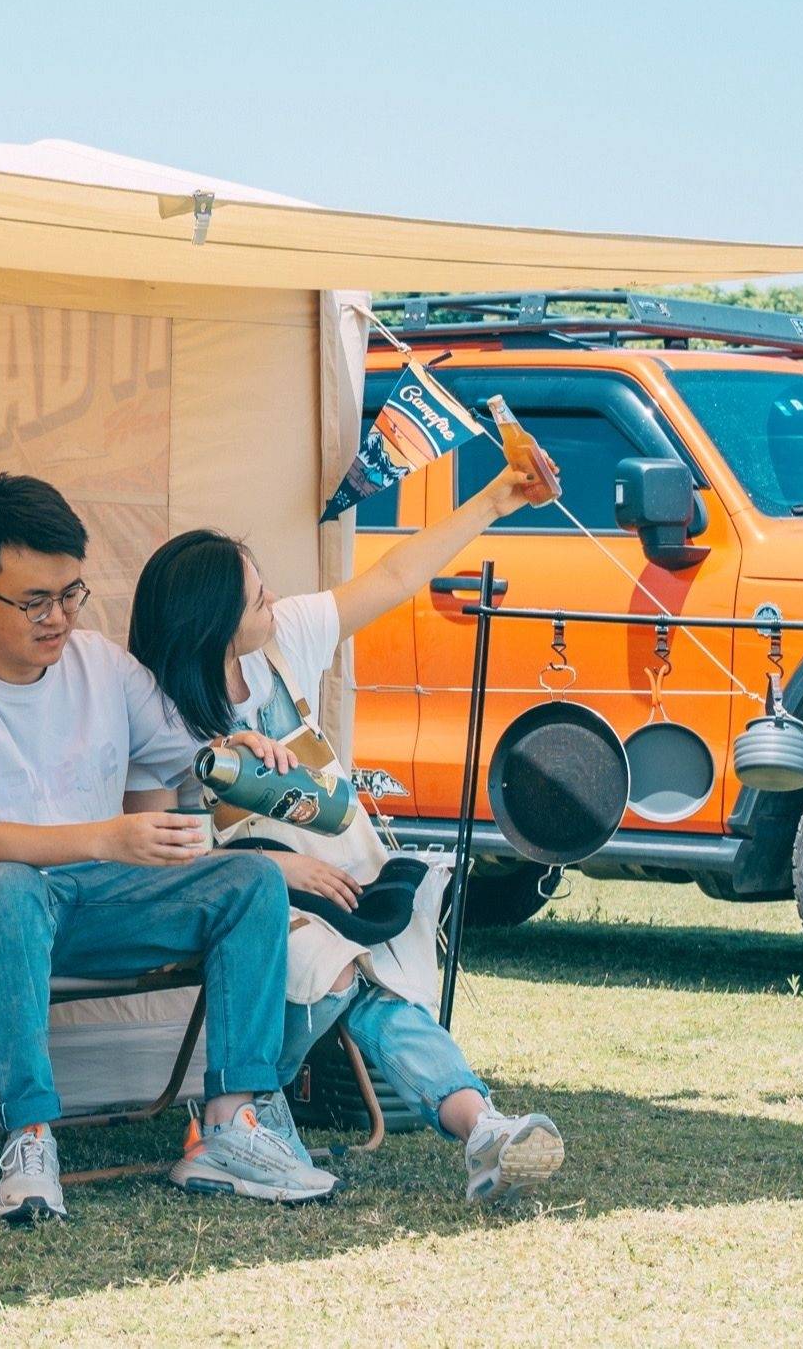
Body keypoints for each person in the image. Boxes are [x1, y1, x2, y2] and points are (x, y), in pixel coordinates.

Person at [0, 473, 334, 1225]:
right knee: (10, 887)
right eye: (35, 601)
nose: (58, 618)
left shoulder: (103, 668)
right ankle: (29, 1139)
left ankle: (228, 1126)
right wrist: (109, 837)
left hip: (80, 900)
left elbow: (189, 752)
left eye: (71, 593)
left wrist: (230, 748)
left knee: (248, 881)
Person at [126, 449, 569, 1202]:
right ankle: (245, 1119)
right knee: (337, 966)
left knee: (367, 975)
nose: (273, 599)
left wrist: (496, 499)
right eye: (256, 597)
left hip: (343, 879)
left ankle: (481, 1128)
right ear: (213, 625)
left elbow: (395, 575)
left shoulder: (282, 641)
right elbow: (153, 852)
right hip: (243, 899)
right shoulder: (159, 713)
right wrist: (274, 868)